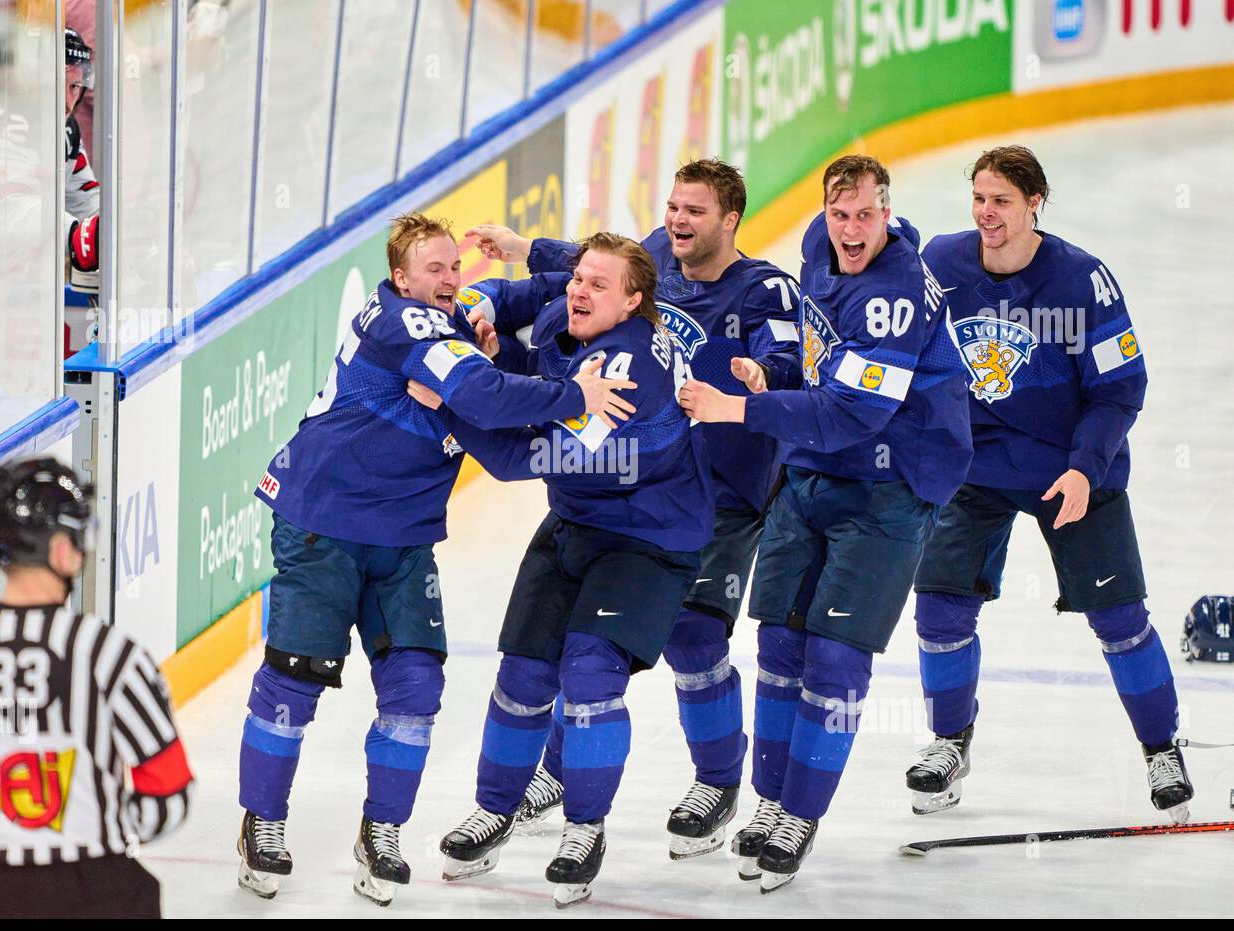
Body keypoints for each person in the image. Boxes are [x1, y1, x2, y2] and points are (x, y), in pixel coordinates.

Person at [236, 213, 635, 908]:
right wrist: (579, 394)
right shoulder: (406, 324)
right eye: (434, 270)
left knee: (416, 688)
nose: (451, 281)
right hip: (321, 525)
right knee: (292, 684)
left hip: (402, 539)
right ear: (400, 279)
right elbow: (482, 397)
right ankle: (261, 824)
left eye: (456, 268)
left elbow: (492, 404)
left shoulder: (447, 331)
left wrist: (484, 351)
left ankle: (382, 835)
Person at [466, 159, 801, 860]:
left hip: (720, 494)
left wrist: (762, 378)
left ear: (730, 219)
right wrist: (513, 268)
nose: (679, 221)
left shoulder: (763, 287)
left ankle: (719, 781)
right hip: (638, 491)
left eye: (696, 212)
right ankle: (561, 774)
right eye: (674, 207)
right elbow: (579, 270)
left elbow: (786, 362)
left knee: (694, 644)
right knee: (584, 653)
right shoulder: (647, 262)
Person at [678, 155, 972, 892]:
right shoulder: (819, 242)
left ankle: (799, 817)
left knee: (835, 661)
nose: (849, 230)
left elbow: (852, 412)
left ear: (888, 213)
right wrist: (769, 378)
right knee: (779, 643)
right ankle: (774, 801)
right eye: (840, 215)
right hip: (811, 474)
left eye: (866, 216)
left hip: (888, 488)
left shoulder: (897, 294)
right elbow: (818, 363)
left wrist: (737, 408)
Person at [425, 233, 713, 907]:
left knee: (588, 675)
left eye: (597, 285)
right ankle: (495, 810)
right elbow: (547, 379)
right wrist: (501, 357)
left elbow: (516, 459)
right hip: (578, 524)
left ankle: (585, 829)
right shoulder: (580, 319)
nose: (578, 291)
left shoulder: (627, 373)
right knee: (522, 672)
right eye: (578, 278)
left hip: (649, 538)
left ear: (635, 301)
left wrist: (452, 399)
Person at [905, 146, 1192, 820]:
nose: (986, 213)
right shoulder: (942, 263)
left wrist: (1085, 468)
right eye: (978, 198)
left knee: (1119, 618)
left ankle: (1161, 746)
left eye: (1001, 200)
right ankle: (949, 743)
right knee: (940, 608)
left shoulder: (1081, 281)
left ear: (1035, 202)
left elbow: (1122, 389)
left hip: (1071, 469)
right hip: (976, 468)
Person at [0, 458, 193, 919]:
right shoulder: (109, 654)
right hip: (94, 893)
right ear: (59, 550)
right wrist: (104, 830)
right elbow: (169, 790)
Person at [64, 28, 101, 297]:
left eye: (76, 86)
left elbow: (85, 197)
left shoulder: (67, 131)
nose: (69, 100)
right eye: (63, 84)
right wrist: (75, 235)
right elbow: (0, 210)